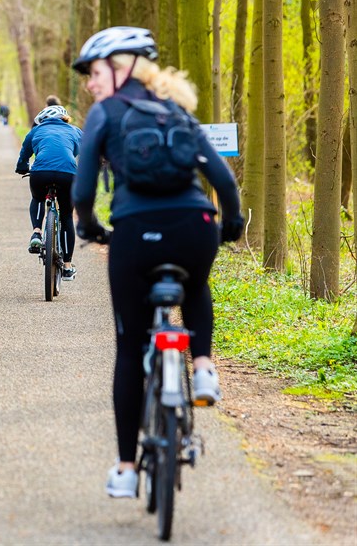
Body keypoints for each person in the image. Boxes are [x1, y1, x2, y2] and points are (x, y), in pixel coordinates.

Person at [70, 26, 244, 499]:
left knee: (130, 349)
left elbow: (83, 191)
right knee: (196, 284)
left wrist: (86, 227)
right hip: (195, 226)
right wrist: (232, 224)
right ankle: (203, 366)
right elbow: (222, 179)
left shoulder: (104, 114)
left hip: (134, 234)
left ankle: (127, 468)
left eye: (95, 71)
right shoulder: (177, 110)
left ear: (123, 66)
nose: (90, 82)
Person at [15, 105, 83, 280]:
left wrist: (22, 168)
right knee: (66, 216)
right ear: (65, 118)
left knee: (37, 198)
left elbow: (24, 156)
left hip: (40, 173)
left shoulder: (36, 131)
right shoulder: (75, 131)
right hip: (68, 174)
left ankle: (36, 232)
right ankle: (67, 266)